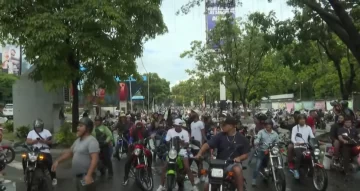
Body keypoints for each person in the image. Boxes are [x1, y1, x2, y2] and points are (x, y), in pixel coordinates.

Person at [195, 116, 250, 191]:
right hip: (219, 164)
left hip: (232, 163)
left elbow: (246, 154)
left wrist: (239, 158)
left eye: (224, 125)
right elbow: (207, 145)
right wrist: (199, 153)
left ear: (231, 126)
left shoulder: (242, 138)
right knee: (206, 187)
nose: (222, 127)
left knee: (237, 169)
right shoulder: (220, 136)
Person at [52, 117, 99, 191]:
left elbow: (95, 159)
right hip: (78, 177)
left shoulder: (92, 141)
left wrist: (89, 175)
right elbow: (70, 153)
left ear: (88, 128)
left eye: (81, 126)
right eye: (78, 126)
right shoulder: (77, 141)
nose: (77, 128)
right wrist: (57, 161)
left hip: (86, 176)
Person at [156, 118, 197, 191]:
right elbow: (167, 141)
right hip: (172, 151)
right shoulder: (170, 131)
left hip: (182, 151)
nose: (177, 127)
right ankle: (161, 186)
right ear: (174, 125)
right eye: (176, 125)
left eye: (179, 126)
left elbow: (187, 144)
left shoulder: (185, 132)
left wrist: (181, 142)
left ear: (181, 126)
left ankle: (193, 186)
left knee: (187, 167)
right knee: (164, 167)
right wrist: (170, 141)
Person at [25, 119, 57, 185]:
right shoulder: (31, 132)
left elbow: (51, 141)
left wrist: (44, 141)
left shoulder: (46, 132)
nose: (38, 129)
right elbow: (28, 141)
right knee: (25, 159)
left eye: (39, 127)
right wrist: (34, 141)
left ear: (42, 127)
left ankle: (53, 178)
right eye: (36, 127)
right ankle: (26, 174)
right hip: (33, 151)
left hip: (44, 151)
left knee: (50, 163)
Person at [123, 121, 152, 185]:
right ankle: (126, 177)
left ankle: (149, 169)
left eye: (140, 127)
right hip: (134, 148)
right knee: (128, 162)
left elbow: (150, 135)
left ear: (143, 127)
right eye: (138, 127)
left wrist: (151, 137)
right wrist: (130, 143)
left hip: (143, 148)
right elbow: (131, 138)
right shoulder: (133, 131)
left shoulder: (145, 131)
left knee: (150, 154)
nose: (139, 129)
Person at [252, 119, 279, 186]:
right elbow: (257, 138)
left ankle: (274, 174)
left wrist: (279, 144)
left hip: (271, 151)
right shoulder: (261, 132)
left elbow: (277, 141)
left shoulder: (275, 134)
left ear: (271, 126)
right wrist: (256, 141)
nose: (267, 126)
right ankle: (254, 179)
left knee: (277, 162)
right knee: (257, 166)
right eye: (266, 125)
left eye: (269, 125)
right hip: (262, 151)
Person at [291, 114, 315, 179]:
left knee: (312, 155)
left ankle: (311, 170)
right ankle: (296, 170)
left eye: (303, 119)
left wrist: (315, 141)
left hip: (306, 145)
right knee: (299, 155)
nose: (302, 120)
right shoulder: (295, 128)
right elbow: (292, 138)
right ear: (298, 120)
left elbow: (312, 136)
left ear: (305, 120)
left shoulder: (308, 128)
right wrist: (296, 143)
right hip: (297, 146)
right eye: (300, 119)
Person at [190, 109, 206, 178]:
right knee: (192, 160)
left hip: (198, 145)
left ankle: (201, 176)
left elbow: (203, 134)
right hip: (192, 145)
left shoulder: (200, 123)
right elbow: (191, 134)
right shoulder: (191, 123)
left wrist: (202, 144)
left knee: (199, 161)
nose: (191, 114)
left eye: (193, 113)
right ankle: (199, 174)